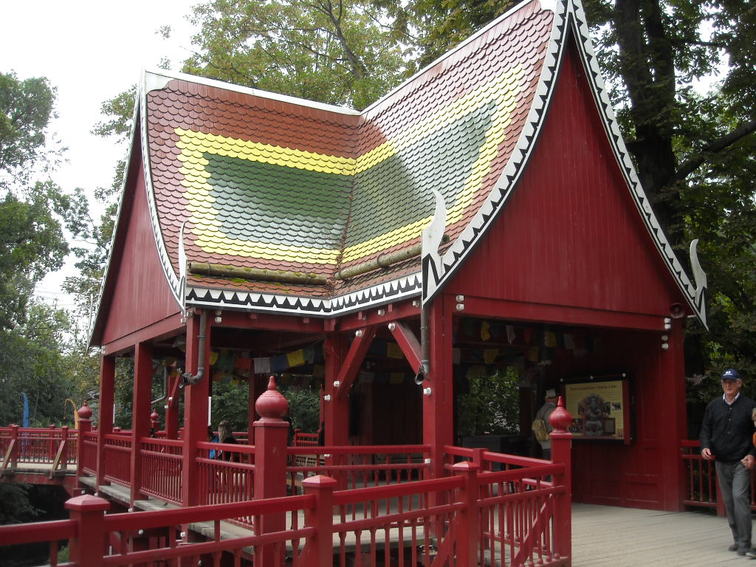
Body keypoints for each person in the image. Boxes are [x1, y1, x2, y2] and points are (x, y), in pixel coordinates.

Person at [700, 368, 755, 556]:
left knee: (739, 498)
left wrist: (752, 454)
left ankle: (745, 543)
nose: (728, 385)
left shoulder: (750, 406)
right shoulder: (713, 406)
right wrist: (704, 447)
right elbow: (705, 430)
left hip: (741, 461)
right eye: (725, 381)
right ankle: (737, 539)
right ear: (722, 384)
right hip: (721, 461)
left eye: (732, 381)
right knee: (729, 502)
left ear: (739, 383)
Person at [534, 389, 557, 459]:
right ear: (555, 399)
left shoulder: (541, 410)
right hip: (551, 442)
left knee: (546, 463)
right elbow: (552, 426)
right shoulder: (552, 409)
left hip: (543, 442)